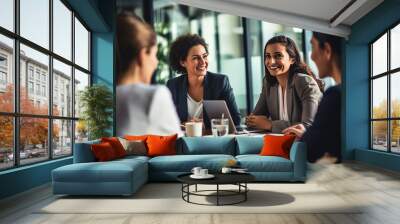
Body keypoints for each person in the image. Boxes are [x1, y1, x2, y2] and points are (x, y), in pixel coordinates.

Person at [116, 12, 182, 136]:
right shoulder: (153, 95)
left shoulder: (99, 99)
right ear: (142, 55)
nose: (156, 62)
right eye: (154, 55)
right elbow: (180, 148)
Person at [283, 32, 343, 163]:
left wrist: (307, 136)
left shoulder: (334, 95)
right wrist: (308, 134)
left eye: (313, 47)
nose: (312, 56)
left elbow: (311, 150)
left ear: (327, 50)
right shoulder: (348, 93)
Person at [246, 35, 323, 133]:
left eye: (278, 56)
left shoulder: (303, 82)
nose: (271, 61)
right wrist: (251, 121)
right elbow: (254, 120)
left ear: (292, 59)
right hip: (280, 143)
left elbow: (307, 126)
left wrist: (270, 124)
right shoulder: (268, 84)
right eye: (268, 56)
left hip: (305, 145)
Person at [166, 34, 241, 129]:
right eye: (196, 58)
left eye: (204, 56)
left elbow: (236, 120)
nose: (203, 62)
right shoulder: (173, 85)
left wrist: (205, 125)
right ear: (182, 62)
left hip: (213, 141)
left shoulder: (220, 82)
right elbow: (166, 121)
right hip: (184, 141)